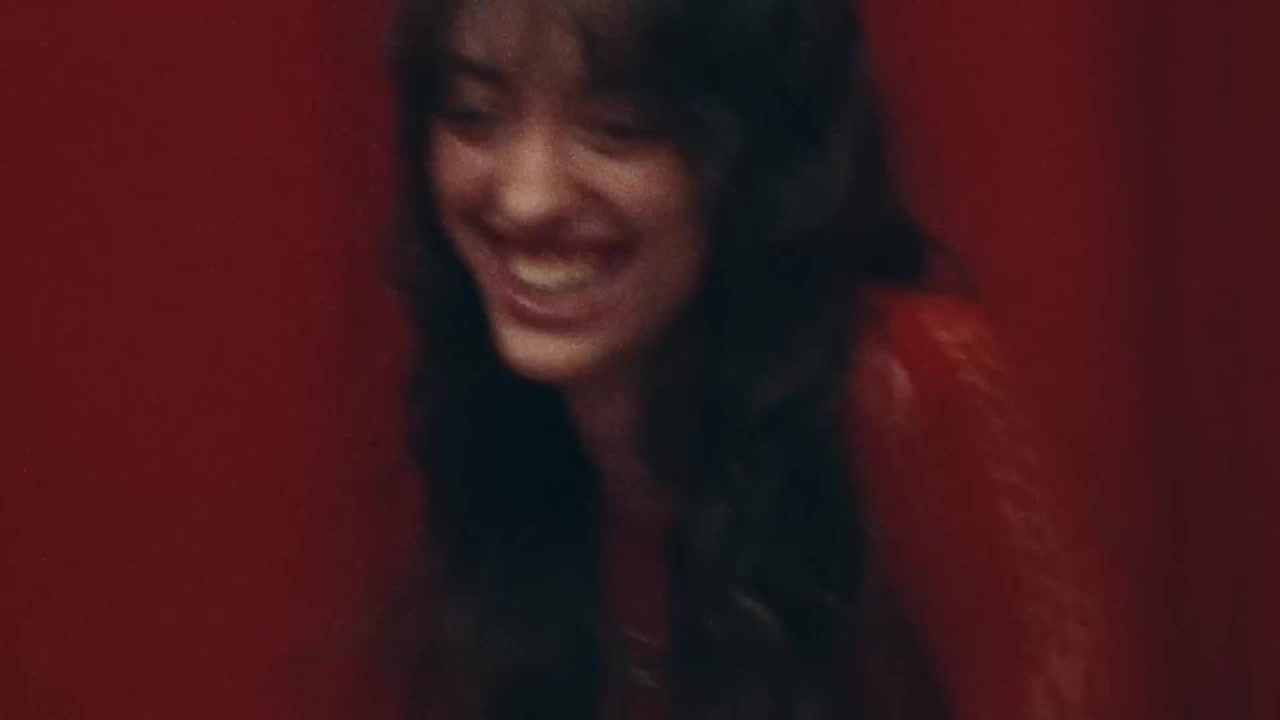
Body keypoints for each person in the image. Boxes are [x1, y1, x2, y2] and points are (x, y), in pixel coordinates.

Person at [384, 0, 1118, 719]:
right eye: (473, 115)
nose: (527, 199)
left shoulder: (904, 381)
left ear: (755, 158)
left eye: (621, 127)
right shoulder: (498, 422)